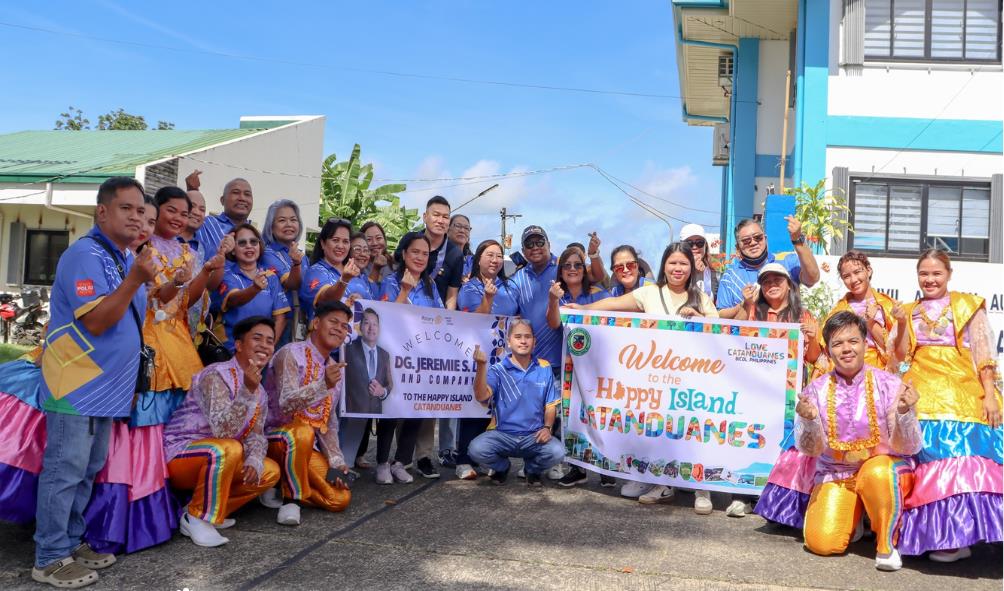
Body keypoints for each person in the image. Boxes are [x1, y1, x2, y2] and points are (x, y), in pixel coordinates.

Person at [86, 187, 225, 555]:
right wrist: (174, 284)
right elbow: (151, 299)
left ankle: (187, 504)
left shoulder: (184, 250)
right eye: (168, 211)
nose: (177, 218)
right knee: (140, 429)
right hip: (142, 339)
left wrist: (200, 274)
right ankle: (131, 511)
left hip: (176, 340)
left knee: (177, 425)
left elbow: (184, 304)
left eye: (185, 212)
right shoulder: (124, 252)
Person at [31, 177, 154, 588]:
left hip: (105, 388)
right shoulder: (85, 254)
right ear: (102, 212)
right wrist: (136, 278)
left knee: (87, 470)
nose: (137, 217)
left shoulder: (119, 257)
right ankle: (48, 556)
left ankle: (68, 542)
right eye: (127, 208)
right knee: (64, 470)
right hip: (75, 384)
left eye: (141, 210)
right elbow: (99, 321)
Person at [567, 242, 718, 507]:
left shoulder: (702, 299)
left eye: (683, 263)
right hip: (657, 380)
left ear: (691, 267)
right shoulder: (649, 293)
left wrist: (701, 318)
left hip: (693, 381)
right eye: (672, 263)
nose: (678, 268)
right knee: (663, 431)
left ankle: (701, 489)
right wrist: (582, 310)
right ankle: (662, 484)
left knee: (692, 432)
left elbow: (723, 337)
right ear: (664, 266)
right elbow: (613, 303)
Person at [756, 251, 897, 528]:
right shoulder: (839, 307)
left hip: (872, 386)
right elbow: (823, 352)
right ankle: (804, 510)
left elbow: (895, 352)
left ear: (869, 270)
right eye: (846, 275)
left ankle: (871, 517)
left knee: (871, 450)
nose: (853, 279)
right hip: (840, 385)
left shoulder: (888, 306)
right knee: (824, 446)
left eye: (857, 272)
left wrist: (872, 325)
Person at [890, 249, 1002, 561]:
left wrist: (990, 395)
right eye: (924, 274)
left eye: (936, 273)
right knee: (923, 455)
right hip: (921, 386)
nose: (930, 279)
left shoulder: (967, 305)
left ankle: (963, 533)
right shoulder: (909, 311)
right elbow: (898, 357)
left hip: (961, 385)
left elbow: (983, 354)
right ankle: (936, 533)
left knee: (963, 453)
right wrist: (899, 325)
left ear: (949, 274)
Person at [794, 311, 923, 571]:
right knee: (821, 543)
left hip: (883, 472)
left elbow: (907, 447)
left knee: (876, 472)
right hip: (836, 474)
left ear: (866, 344)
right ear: (828, 352)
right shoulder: (816, 390)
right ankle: (856, 515)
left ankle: (886, 546)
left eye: (853, 341)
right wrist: (809, 420)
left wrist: (904, 412)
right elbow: (811, 450)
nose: (846, 349)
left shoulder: (887, 383)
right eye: (837, 344)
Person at [162, 316, 281, 548]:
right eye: (257, 338)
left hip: (222, 454)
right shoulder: (215, 375)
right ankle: (199, 516)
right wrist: (246, 390)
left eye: (269, 341)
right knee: (229, 448)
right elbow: (222, 429)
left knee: (269, 471)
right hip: (181, 454)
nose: (264, 346)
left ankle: (196, 509)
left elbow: (257, 434)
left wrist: (255, 459)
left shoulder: (261, 393)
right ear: (238, 345)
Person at [262, 300, 353, 526]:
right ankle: (291, 499)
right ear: (315, 323)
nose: (338, 329)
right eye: (333, 321)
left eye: (344, 326)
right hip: (273, 439)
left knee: (339, 499)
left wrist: (336, 461)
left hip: (307, 446)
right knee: (301, 432)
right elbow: (286, 404)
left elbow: (328, 423)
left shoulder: (334, 369)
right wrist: (323, 384)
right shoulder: (290, 353)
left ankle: (281, 481)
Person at [396, 197, 465, 474]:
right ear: (425, 216)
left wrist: (444, 330)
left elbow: (451, 297)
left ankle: (423, 455)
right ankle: (398, 457)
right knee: (402, 397)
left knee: (428, 398)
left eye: (445, 216)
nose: (440, 220)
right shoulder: (409, 241)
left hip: (433, 335)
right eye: (436, 215)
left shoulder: (455, 254)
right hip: (402, 336)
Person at [377, 232, 444, 482]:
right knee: (392, 410)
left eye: (425, 254)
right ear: (404, 253)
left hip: (423, 357)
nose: (420, 257)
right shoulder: (391, 281)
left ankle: (401, 462)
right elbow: (385, 316)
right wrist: (405, 291)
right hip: (395, 356)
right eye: (415, 252)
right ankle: (382, 462)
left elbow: (440, 317)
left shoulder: (430, 284)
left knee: (418, 408)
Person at [468, 319, 565, 486]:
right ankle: (502, 467)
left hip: (533, 436)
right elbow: (481, 396)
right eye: (518, 336)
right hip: (502, 434)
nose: (523, 341)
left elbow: (550, 406)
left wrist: (547, 428)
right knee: (476, 449)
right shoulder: (498, 369)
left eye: (528, 336)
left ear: (534, 342)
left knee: (558, 452)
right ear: (509, 342)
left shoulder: (545, 367)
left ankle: (532, 470)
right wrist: (481, 366)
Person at [454, 240, 520, 480]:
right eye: (489, 255)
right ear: (478, 259)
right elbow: (473, 321)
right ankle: (463, 459)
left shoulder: (510, 286)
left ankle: (489, 458)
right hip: (478, 357)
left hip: (505, 358)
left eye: (498, 256)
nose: (494, 260)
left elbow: (518, 317)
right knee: (475, 406)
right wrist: (488, 299)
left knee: (498, 409)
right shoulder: (470, 288)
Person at [509, 225, 562, 479]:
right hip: (530, 361)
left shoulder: (562, 269)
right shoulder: (518, 277)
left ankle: (555, 461)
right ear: (523, 251)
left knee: (557, 413)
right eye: (529, 244)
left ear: (549, 243)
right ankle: (532, 460)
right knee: (532, 413)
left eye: (539, 242)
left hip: (560, 357)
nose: (535, 248)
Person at [716, 217, 820, 318]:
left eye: (758, 237)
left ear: (765, 239)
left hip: (786, 333)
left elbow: (812, 278)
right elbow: (720, 314)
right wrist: (744, 304)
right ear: (738, 247)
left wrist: (797, 239)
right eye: (746, 241)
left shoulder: (786, 261)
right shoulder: (730, 276)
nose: (753, 243)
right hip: (748, 334)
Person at [214, 223, 290, 353]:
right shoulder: (227, 275)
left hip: (261, 354)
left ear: (259, 246)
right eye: (242, 243)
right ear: (233, 249)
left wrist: (266, 349)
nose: (249, 246)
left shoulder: (270, 277)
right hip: (231, 351)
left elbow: (280, 319)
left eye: (253, 242)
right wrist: (255, 288)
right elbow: (234, 299)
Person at [340, 308, 393, 475]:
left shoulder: (385, 354)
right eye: (367, 323)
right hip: (352, 412)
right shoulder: (347, 349)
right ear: (360, 327)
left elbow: (389, 384)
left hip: (375, 409)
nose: (371, 328)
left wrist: (382, 391)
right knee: (344, 462)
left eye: (375, 324)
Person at [300, 218, 369, 322]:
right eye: (335, 240)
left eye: (345, 241)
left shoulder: (356, 274)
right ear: (323, 243)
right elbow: (326, 301)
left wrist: (361, 303)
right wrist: (344, 280)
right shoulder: (315, 271)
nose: (340, 246)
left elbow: (373, 310)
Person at [262, 200, 307, 347]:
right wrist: (296, 264)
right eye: (282, 220)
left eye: (293, 220)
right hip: (279, 323)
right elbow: (292, 284)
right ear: (271, 227)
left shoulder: (302, 256)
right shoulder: (267, 253)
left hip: (301, 320)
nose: (289, 224)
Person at [196, 177, 254, 259]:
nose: (242, 198)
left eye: (247, 194)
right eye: (236, 192)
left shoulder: (258, 237)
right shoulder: (205, 224)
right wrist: (192, 189)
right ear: (222, 200)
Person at [679, 224, 720, 302]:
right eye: (689, 243)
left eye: (700, 243)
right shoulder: (674, 272)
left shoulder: (715, 276)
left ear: (705, 246)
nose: (695, 247)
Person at [448, 214, 474, 279]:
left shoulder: (474, 262)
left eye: (466, 228)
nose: (462, 231)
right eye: (458, 226)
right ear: (448, 229)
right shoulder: (440, 258)